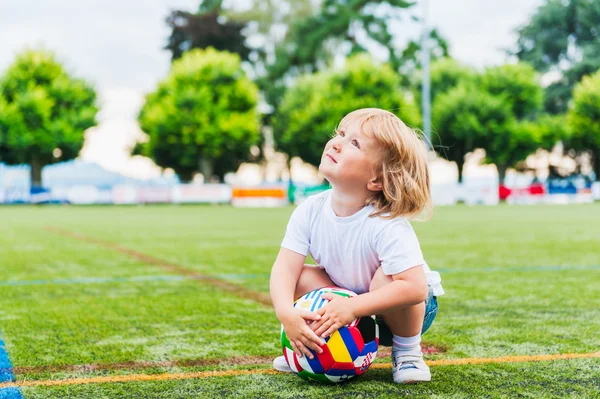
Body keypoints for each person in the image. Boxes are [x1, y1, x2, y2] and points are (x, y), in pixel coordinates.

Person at [269, 108, 444, 384]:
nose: (336, 142)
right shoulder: (310, 210)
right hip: (347, 297)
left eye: (354, 143)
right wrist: (285, 312)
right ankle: (308, 349)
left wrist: (354, 307)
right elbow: (284, 269)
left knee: (386, 279)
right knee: (302, 276)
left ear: (376, 180)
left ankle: (408, 352)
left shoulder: (387, 224)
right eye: (340, 133)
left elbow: (414, 287)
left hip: (404, 308)